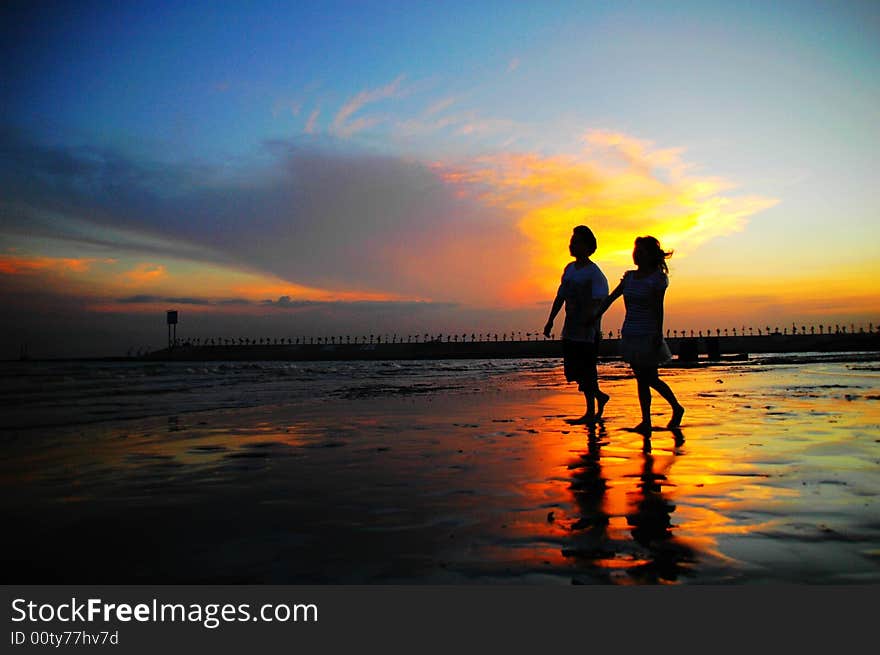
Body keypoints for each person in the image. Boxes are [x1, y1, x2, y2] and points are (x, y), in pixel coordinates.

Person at [593, 236, 684, 433]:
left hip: (648, 333)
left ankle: (675, 408)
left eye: (641, 251)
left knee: (649, 378)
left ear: (650, 255)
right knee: (641, 379)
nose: (637, 254)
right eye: (635, 250)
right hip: (630, 333)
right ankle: (647, 420)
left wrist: (658, 334)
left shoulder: (657, 279)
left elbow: (659, 308)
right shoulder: (629, 278)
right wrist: (595, 315)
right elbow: (610, 299)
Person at [543, 225, 610, 424]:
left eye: (577, 241)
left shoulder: (594, 273)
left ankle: (590, 411)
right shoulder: (569, 269)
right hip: (570, 327)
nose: (572, 244)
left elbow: (601, 300)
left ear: (588, 246)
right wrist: (550, 320)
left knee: (588, 369)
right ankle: (599, 396)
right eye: (572, 240)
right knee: (573, 370)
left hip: (588, 330)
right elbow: (560, 296)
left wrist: (592, 318)